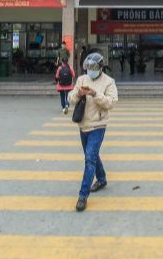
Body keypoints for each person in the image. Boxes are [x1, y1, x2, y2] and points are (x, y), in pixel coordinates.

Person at [68, 53, 118, 212]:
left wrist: (95, 94)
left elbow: (111, 103)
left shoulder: (109, 82)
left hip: (98, 125)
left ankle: (83, 195)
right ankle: (101, 179)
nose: (90, 70)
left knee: (89, 158)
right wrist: (78, 93)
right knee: (92, 155)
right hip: (83, 125)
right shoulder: (82, 79)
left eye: (93, 68)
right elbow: (71, 99)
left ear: (101, 68)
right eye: (88, 68)